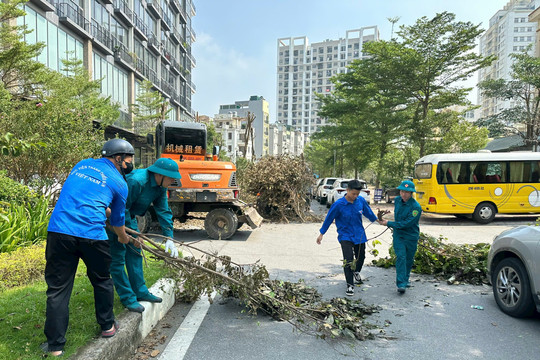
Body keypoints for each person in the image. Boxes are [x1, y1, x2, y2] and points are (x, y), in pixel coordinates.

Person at [43, 139, 134, 357]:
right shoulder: (121, 184)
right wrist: (123, 237)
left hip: (59, 232)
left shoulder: (81, 164)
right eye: (129, 158)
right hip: (92, 236)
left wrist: (104, 209)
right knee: (102, 281)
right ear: (118, 157)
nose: (131, 163)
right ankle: (107, 326)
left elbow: (85, 197)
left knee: (57, 289)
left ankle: (55, 347)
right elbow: (119, 221)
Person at [108, 158, 182, 313]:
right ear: (160, 174)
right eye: (172, 178)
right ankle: (128, 298)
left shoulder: (160, 186)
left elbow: (163, 210)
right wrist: (132, 232)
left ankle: (141, 292)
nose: (173, 181)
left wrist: (169, 237)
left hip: (129, 216)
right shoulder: (136, 181)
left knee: (135, 252)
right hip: (113, 218)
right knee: (118, 258)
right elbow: (121, 208)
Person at [317, 179, 378, 296]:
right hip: (345, 235)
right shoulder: (338, 205)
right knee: (348, 260)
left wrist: (378, 220)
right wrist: (321, 234)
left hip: (359, 234)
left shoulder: (360, 201)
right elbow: (329, 219)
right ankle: (350, 285)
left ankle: (356, 272)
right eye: (353, 193)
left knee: (361, 257)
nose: (355, 196)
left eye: (357, 194)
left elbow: (369, 213)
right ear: (347, 190)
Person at [378, 180, 422, 294]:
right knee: (401, 257)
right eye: (402, 191)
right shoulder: (397, 200)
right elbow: (398, 217)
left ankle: (406, 279)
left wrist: (388, 223)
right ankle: (401, 284)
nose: (403, 194)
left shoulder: (416, 207)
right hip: (399, 236)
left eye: (407, 192)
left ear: (411, 193)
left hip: (411, 236)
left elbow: (406, 224)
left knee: (409, 259)